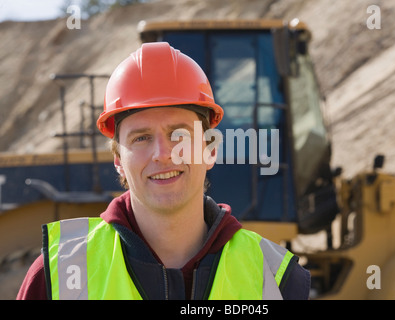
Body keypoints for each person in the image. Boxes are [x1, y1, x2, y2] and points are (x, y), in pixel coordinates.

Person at [17, 42, 310, 300]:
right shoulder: (55, 277)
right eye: (141, 138)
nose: (163, 153)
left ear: (210, 150)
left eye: (179, 134)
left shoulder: (278, 280)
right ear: (118, 159)